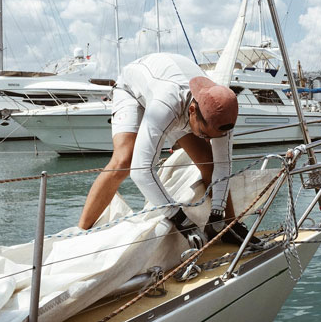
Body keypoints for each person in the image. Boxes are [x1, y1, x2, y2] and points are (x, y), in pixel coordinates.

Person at [78, 52, 258, 247]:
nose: (207, 140)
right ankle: (81, 232)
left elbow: (222, 166)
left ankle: (227, 227)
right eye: (204, 134)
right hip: (133, 90)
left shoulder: (222, 113)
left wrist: (217, 212)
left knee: (209, 162)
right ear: (192, 112)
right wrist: (181, 219)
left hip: (175, 94)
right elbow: (141, 171)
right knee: (124, 160)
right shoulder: (166, 105)